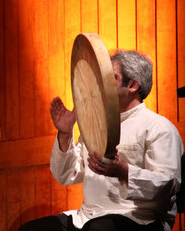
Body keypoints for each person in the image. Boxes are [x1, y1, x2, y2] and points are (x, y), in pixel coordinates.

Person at [18, 50, 184, 231]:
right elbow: (66, 175)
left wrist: (124, 171)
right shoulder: (96, 126)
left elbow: (167, 183)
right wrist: (65, 134)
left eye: (111, 78)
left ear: (133, 85)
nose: (101, 84)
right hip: (88, 216)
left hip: (140, 219)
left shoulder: (159, 128)